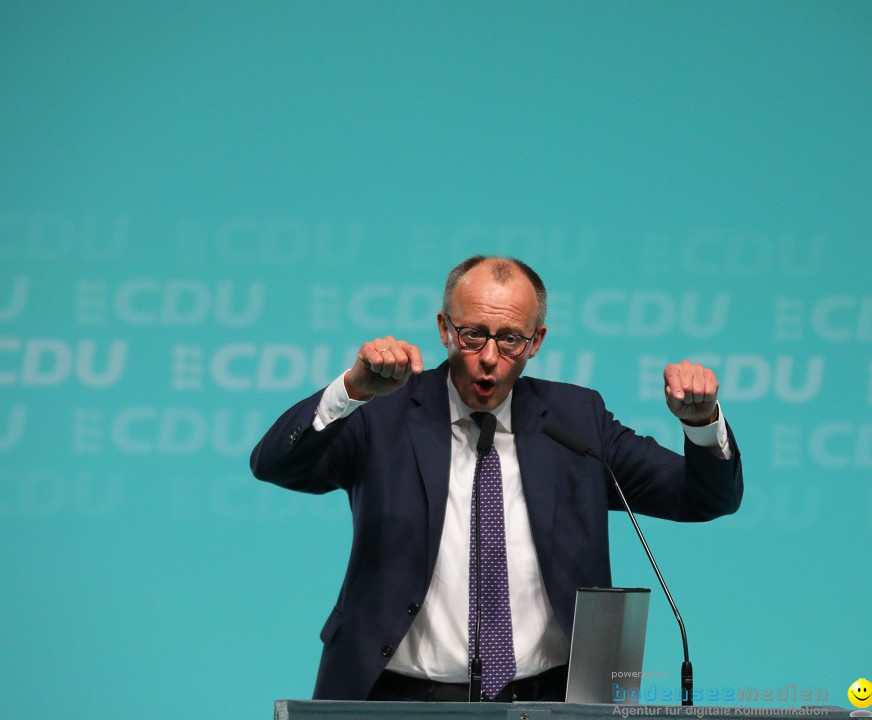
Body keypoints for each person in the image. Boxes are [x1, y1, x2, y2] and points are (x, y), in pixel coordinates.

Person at [250, 255, 743, 702]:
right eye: (473, 335)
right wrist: (351, 390)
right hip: (397, 697)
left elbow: (702, 498)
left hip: (546, 700)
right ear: (445, 329)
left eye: (509, 339)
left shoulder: (577, 420)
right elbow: (275, 464)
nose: (489, 357)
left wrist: (701, 425)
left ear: (537, 341)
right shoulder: (385, 412)